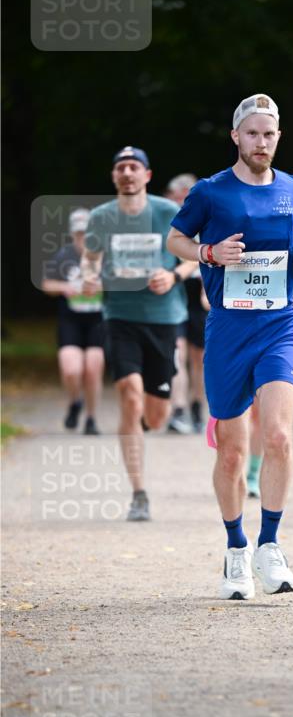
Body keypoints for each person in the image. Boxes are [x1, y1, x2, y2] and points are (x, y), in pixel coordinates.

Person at [166, 94, 293, 599]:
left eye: (269, 134)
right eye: (252, 133)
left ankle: (269, 545)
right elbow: (175, 241)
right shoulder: (210, 192)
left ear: (278, 138)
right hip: (229, 330)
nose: (261, 142)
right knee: (231, 452)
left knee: (277, 437)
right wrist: (208, 252)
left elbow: (289, 231)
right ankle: (235, 549)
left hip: (280, 324)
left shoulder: (292, 188)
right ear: (236, 136)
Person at [81, 146, 195, 521]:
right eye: (121, 168)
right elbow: (91, 257)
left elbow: (193, 255)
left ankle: (148, 420)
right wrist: (88, 275)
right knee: (129, 394)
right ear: (114, 177)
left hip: (164, 318)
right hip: (119, 316)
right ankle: (139, 492)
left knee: (157, 417)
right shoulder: (101, 218)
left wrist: (173, 275)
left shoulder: (167, 212)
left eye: (134, 167)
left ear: (147, 175)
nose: (127, 173)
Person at [41, 208, 105, 434]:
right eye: (79, 234)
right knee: (71, 370)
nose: (83, 238)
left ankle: (91, 418)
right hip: (70, 321)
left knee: (93, 368)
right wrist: (63, 287)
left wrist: (102, 286)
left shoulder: (103, 255)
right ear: (72, 234)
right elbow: (47, 284)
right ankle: (75, 402)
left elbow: (120, 283)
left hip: (98, 320)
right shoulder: (63, 256)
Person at [165, 173, 207, 433]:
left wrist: (208, 293)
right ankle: (177, 409)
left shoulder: (206, 216)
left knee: (199, 359)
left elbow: (206, 255)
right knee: (176, 354)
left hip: (200, 293)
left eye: (186, 194)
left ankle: (196, 407)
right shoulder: (166, 221)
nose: (181, 198)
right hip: (174, 292)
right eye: (177, 194)